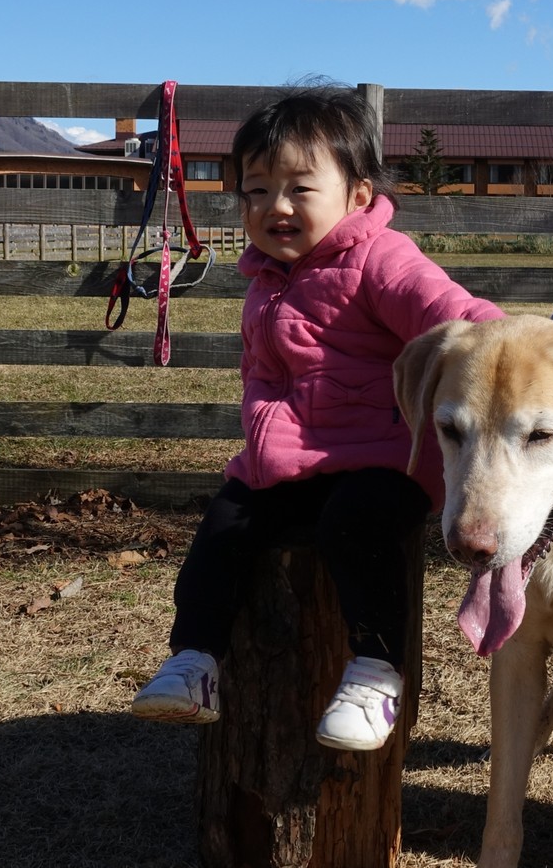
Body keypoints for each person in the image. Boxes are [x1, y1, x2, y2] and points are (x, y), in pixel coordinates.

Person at [131, 87, 502, 751]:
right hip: (287, 463)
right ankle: (194, 659)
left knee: (353, 528)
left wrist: (513, 341)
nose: (275, 207)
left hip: (383, 462)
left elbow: (452, 313)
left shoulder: (381, 259)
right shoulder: (267, 277)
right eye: (256, 191)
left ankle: (376, 672)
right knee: (223, 527)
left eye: (300, 189)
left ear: (358, 195)